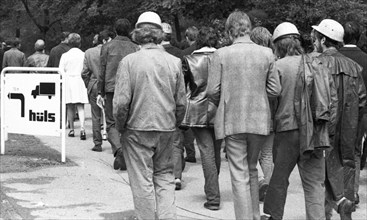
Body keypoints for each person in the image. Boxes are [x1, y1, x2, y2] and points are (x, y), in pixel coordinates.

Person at [207, 11, 281, 220]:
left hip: (232, 118)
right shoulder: (267, 53)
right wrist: (257, 94)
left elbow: (212, 90)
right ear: (248, 28)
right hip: (259, 118)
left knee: (239, 173)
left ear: (230, 31)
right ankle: (255, 215)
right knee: (251, 168)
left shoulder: (221, 54)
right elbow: (275, 90)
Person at [113, 11, 186, 219]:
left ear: (137, 33)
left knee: (142, 180)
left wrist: (120, 127)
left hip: (137, 128)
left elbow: (120, 103)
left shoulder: (129, 62)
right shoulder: (174, 61)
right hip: (166, 127)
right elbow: (181, 101)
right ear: (159, 34)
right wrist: (175, 123)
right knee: (165, 177)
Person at [262, 22, 334, 220]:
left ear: (278, 45)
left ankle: (273, 217)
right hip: (315, 132)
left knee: (279, 180)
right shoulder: (316, 64)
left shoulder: (278, 67)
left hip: (287, 131)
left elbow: (272, 97)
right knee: (314, 183)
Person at [312, 19, 366, 220]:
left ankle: (326, 211)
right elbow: (361, 100)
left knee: (320, 168)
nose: (314, 40)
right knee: (347, 163)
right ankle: (346, 205)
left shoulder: (316, 62)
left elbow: (312, 97)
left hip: (323, 125)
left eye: (316, 37)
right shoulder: (354, 67)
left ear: (323, 39)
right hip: (349, 126)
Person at [181, 26, 222, 210]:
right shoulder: (222, 58)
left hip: (197, 110)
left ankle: (213, 196)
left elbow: (184, 88)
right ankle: (213, 189)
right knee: (216, 151)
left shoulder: (189, 59)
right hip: (219, 109)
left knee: (206, 151)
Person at [97, 18, 139, 170]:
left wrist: (100, 91)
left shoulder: (107, 47)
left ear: (115, 30)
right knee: (129, 121)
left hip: (111, 88)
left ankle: (119, 149)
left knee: (111, 122)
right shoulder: (135, 48)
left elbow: (102, 70)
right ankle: (126, 151)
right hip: (130, 88)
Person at [339, 21, 367, 206]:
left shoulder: (335, 57)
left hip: (337, 110)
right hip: (361, 112)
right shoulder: (365, 58)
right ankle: (352, 192)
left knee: (335, 151)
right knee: (355, 151)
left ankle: (338, 191)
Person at [250, 26, 275, 202]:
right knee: (267, 154)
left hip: (252, 113)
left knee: (249, 155)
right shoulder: (274, 58)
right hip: (271, 114)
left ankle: (259, 182)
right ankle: (269, 185)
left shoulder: (250, 59)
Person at [59, 33, 89, 140]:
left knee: (70, 106)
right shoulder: (84, 54)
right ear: (79, 43)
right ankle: (82, 129)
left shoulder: (65, 55)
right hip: (80, 80)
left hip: (68, 80)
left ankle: (71, 129)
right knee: (80, 106)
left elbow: (60, 70)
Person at [82, 32, 108, 152]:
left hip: (94, 84)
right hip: (109, 84)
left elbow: (84, 72)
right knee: (111, 114)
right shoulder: (110, 51)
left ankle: (97, 143)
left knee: (95, 115)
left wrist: (89, 84)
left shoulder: (89, 52)